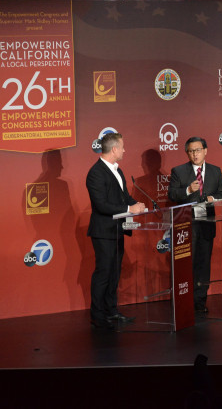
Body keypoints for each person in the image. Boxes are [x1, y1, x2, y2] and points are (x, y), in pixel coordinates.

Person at [86, 132, 146, 329]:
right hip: (103, 232)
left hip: (118, 230)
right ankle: (98, 315)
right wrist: (130, 209)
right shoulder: (95, 173)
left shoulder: (118, 171)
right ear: (114, 149)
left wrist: (137, 204)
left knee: (114, 273)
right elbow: (102, 205)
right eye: (122, 146)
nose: (124, 150)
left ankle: (112, 310)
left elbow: (124, 197)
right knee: (103, 273)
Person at [169, 137, 222, 313]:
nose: (195, 154)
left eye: (198, 150)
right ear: (187, 153)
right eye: (191, 151)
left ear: (205, 150)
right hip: (188, 225)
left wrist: (213, 198)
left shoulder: (216, 171)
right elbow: (172, 194)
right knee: (188, 263)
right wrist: (188, 190)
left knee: (204, 264)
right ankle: (185, 299)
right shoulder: (179, 171)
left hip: (207, 223)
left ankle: (200, 300)